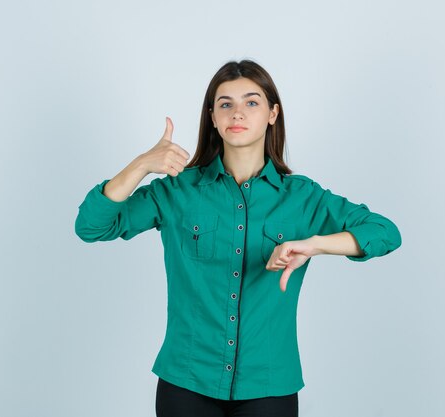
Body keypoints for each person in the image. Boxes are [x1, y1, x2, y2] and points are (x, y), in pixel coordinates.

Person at [75, 59, 402, 417]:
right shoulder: (177, 191)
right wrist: (140, 165)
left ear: (273, 114)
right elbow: (92, 226)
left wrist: (316, 245)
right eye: (225, 104)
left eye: (251, 102)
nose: (237, 113)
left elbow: (385, 232)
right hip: (186, 381)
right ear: (213, 117)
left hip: (269, 385)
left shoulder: (302, 197)